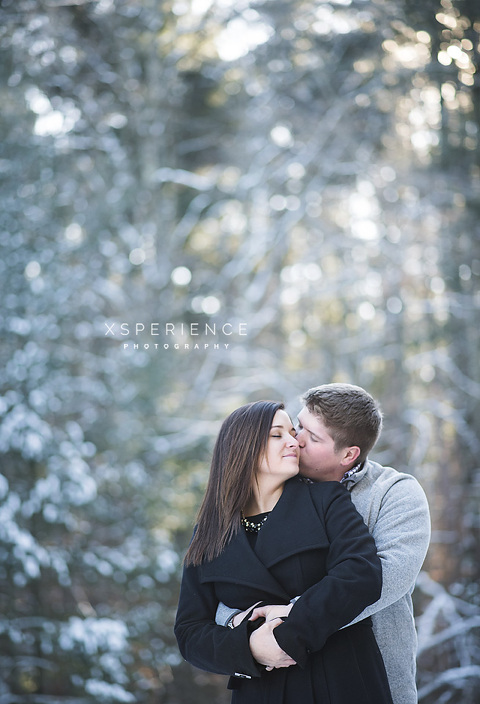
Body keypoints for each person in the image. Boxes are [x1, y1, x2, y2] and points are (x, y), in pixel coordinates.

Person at [216, 384, 431, 704]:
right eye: (298, 424)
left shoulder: (395, 493)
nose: (296, 438)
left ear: (349, 454)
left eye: (312, 436)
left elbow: (385, 578)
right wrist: (240, 622)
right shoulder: (271, 489)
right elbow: (224, 588)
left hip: (372, 684)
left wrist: (294, 613)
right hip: (281, 681)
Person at [175, 400, 393, 704]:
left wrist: (286, 637)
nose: (294, 441)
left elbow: (360, 574)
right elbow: (189, 632)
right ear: (242, 446)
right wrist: (250, 648)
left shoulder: (326, 500)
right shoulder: (210, 533)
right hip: (260, 690)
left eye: (294, 431)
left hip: (340, 682)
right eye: (278, 435)